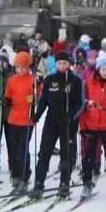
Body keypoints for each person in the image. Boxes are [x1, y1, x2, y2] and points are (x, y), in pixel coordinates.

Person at [31, 52, 84, 199]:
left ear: (69, 64)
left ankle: (64, 185)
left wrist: (72, 116)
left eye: (64, 63)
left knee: (66, 155)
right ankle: (38, 184)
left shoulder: (76, 80)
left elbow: (80, 103)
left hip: (68, 123)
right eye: (59, 63)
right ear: (56, 64)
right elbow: (43, 101)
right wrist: (36, 116)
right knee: (44, 153)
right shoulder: (49, 79)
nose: (62, 66)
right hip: (51, 121)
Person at [78, 52, 106, 201]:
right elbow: (83, 106)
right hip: (91, 126)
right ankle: (87, 183)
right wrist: (83, 127)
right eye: (103, 69)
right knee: (88, 157)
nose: (105, 72)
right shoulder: (88, 82)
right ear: (98, 69)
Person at [1, 50, 36, 193]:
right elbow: (8, 98)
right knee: (14, 149)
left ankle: (24, 176)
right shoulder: (11, 80)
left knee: (23, 149)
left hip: (26, 120)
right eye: (18, 67)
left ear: (28, 67)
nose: (20, 69)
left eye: (23, 67)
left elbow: (36, 96)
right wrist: (3, 100)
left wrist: (33, 102)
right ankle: (15, 174)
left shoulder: (32, 80)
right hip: (13, 119)